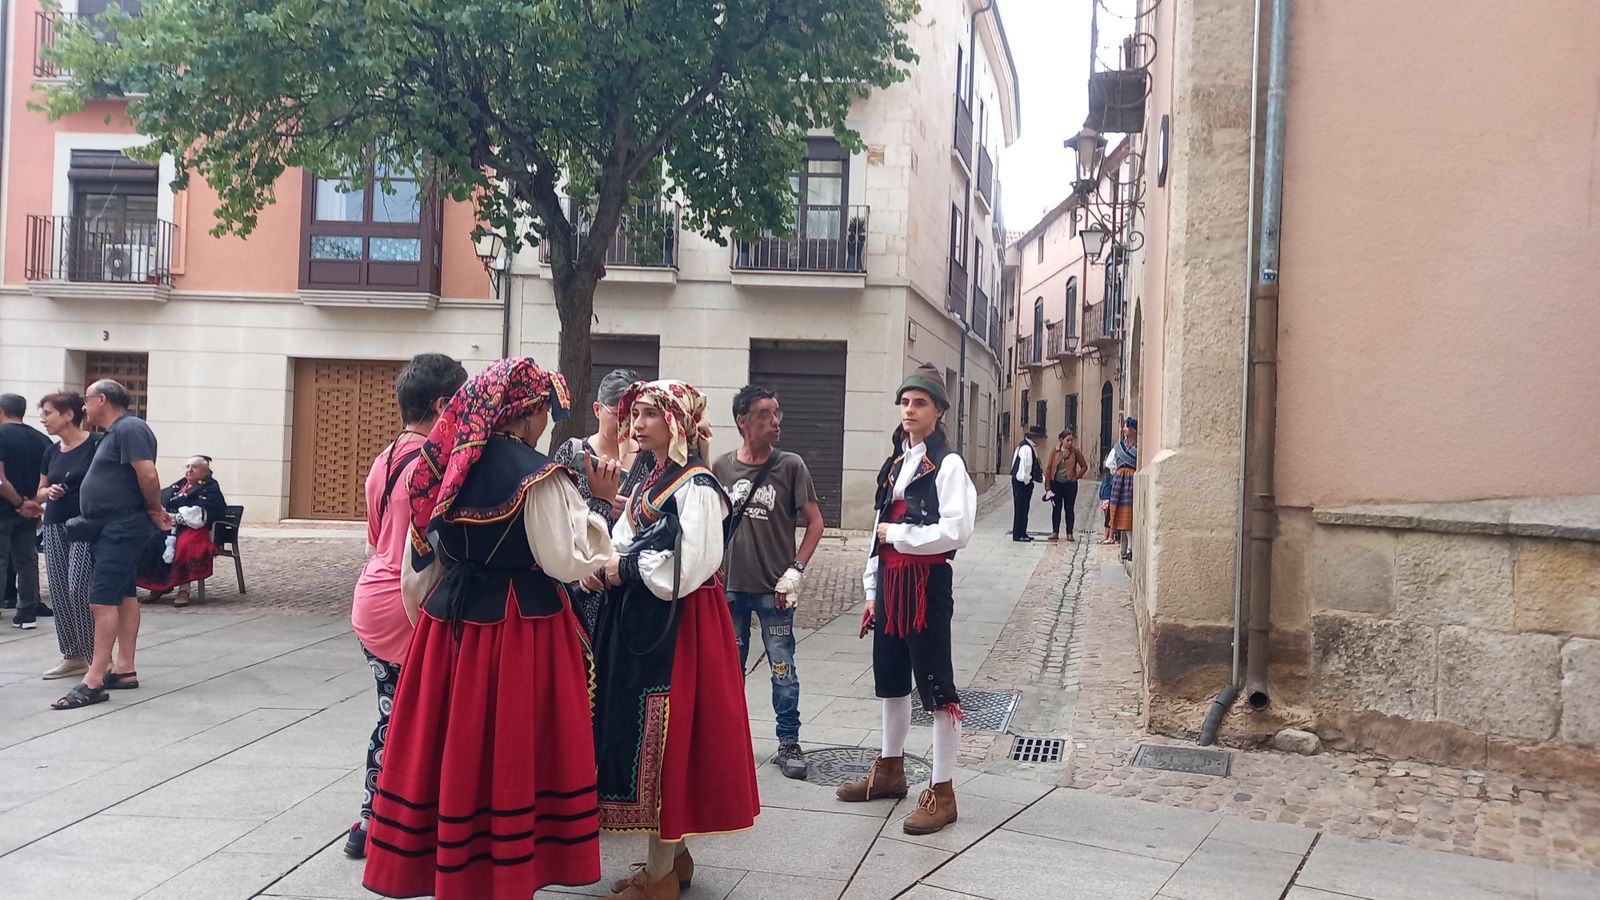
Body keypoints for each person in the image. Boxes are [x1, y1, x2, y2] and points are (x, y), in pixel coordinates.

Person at [362, 358, 615, 900]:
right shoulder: (540, 475)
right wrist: (597, 513)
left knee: (452, 746)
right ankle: (507, 867)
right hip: (521, 626)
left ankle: (456, 864)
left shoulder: (440, 464)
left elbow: (417, 569)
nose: (546, 421)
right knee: (514, 747)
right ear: (524, 412)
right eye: (544, 409)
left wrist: (428, 636)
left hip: (449, 623)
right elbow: (568, 561)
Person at [588, 379, 759, 900]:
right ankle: (673, 859)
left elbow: (694, 564)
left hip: (680, 627)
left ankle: (660, 875)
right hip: (646, 618)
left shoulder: (698, 485)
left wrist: (625, 567)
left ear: (676, 422)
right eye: (634, 414)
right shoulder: (651, 478)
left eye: (648, 415)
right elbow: (625, 536)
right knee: (651, 735)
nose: (636, 424)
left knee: (666, 739)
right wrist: (604, 563)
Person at [835, 362, 976, 836]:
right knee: (891, 681)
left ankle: (944, 790)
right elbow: (876, 538)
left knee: (937, 690)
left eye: (919, 403)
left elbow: (956, 531)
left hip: (925, 587)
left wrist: (900, 533)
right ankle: (891, 768)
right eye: (905, 402)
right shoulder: (895, 462)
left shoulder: (949, 464)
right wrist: (872, 591)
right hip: (892, 588)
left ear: (938, 411)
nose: (909, 410)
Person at [342, 352, 466, 861]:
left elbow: (377, 538)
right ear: (442, 405)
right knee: (409, 719)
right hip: (407, 604)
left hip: (373, 595)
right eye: (459, 404)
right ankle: (380, 821)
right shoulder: (434, 464)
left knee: (394, 710)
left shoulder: (386, 457)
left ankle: (377, 819)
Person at [712, 384, 825, 781]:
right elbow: (711, 523)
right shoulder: (721, 467)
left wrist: (795, 570)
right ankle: (728, 741)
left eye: (777, 413)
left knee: (782, 667)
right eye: (765, 413)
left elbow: (815, 522)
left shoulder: (790, 465)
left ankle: (789, 742)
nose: (775, 421)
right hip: (731, 589)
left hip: (775, 591)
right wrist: (712, 563)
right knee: (729, 669)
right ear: (743, 421)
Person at [51, 380, 170, 710]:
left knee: (101, 599)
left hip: (121, 526)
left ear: (102, 399)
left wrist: (154, 509)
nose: (84, 408)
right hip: (112, 525)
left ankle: (94, 678)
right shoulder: (115, 433)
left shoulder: (130, 428)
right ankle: (124, 668)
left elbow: (147, 474)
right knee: (123, 595)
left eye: (86, 402)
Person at [550, 368, 656, 638]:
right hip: (582, 588)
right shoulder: (574, 453)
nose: (629, 424)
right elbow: (553, 518)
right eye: (619, 414)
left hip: (631, 589)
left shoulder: (651, 460)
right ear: (597, 409)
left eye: (636, 414)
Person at [35, 392, 100, 677]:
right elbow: (38, 492)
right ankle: (72, 654)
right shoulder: (51, 451)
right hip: (54, 523)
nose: (43, 419)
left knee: (78, 589)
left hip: (84, 524)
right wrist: (47, 492)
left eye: (48, 413)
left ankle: (94, 656)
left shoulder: (96, 445)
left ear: (69, 415)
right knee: (60, 592)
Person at [138, 455, 228, 606]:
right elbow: (161, 500)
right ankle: (158, 586)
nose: (189, 470)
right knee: (150, 539)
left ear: (205, 471)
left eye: (194, 467)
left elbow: (203, 514)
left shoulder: (210, 488)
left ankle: (184, 589)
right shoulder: (179, 486)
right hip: (171, 526)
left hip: (197, 528)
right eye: (187, 467)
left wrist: (176, 517)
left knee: (185, 545)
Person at [0, 393, 52, 630]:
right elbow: (49, 476)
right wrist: (31, 503)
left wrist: (19, 502)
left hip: (5, 508)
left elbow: (0, 480)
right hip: (30, 511)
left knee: (1, 560)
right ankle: (27, 611)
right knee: (27, 559)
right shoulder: (42, 439)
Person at [1043, 430, 1088, 542]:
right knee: (1056, 508)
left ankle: (1069, 533)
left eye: (1071, 440)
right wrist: (1048, 486)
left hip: (1070, 485)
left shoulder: (1075, 452)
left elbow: (1084, 466)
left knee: (1069, 509)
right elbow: (1049, 468)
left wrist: (1076, 477)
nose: (1070, 442)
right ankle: (1055, 532)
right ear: (1061, 440)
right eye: (1067, 440)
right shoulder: (1055, 451)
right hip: (1056, 483)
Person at [1009, 424, 1045, 541]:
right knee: (1021, 508)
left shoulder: (1027, 446)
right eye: (1041, 438)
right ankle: (1018, 534)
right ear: (1036, 438)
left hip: (1021, 482)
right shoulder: (1026, 448)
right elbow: (1025, 467)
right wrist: (1027, 482)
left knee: (1023, 509)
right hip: (1022, 483)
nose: (1041, 441)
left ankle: (1022, 532)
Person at [1105, 418, 1138, 544]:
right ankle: (1123, 543)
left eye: (1126, 427)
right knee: (1118, 510)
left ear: (1133, 429)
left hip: (1130, 480)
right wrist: (1117, 472)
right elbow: (1109, 463)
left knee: (1128, 512)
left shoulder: (1138, 446)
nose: (1124, 429)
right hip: (1120, 480)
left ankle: (1129, 547)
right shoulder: (1119, 447)